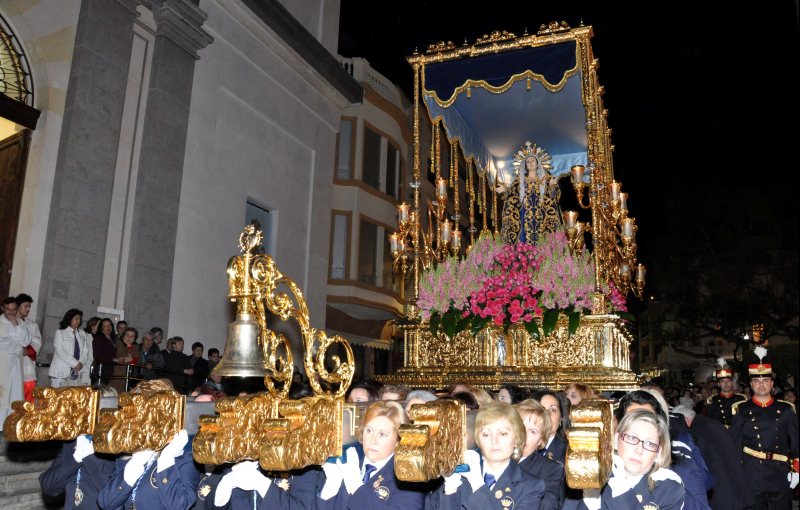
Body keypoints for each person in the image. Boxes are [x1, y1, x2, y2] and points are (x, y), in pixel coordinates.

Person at [97, 378, 203, 510]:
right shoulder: (128, 453)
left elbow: (180, 505)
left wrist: (166, 459)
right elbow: (105, 502)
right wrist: (134, 465)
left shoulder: (184, 456)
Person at [429, 401, 545, 510]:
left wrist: (477, 483)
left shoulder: (531, 486)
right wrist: (451, 488)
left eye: (503, 433)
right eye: (486, 434)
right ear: (478, 440)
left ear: (517, 439)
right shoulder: (462, 476)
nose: (494, 440)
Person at [318, 400, 427, 510]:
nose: (372, 440)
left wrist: (356, 487)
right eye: (369, 431)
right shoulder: (349, 465)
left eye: (382, 434)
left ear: (398, 440)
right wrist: (331, 486)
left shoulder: (408, 479)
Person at [730, 347, 799, 509]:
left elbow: (796, 443)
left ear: (772, 384)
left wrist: (796, 469)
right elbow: (734, 445)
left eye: (765, 381)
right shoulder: (741, 409)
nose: (761, 385)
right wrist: (736, 474)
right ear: (751, 385)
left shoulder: (786, 409)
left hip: (779, 472)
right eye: (757, 381)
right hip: (751, 472)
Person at [574, 409, 685, 509]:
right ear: (616, 441)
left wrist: (621, 488)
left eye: (650, 443)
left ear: (658, 453)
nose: (639, 450)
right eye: (632, 438)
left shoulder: (669, 489)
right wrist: (591, 499)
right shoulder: (590, 471)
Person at [39, 385, 119, 509]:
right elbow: (48, 486)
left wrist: (89, 456)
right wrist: (76, 458)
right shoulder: (74, 442)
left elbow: (114, 495)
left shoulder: (119, 446)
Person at [672, 404, 755, 510]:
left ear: (685, 420)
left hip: (720, 487)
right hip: (733, 481)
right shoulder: (710, 423)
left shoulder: (696, 430)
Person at [499, 141, 562, 245]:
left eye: (533, 160)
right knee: (523, 239)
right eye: (528, 161)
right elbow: (512, 197)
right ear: (525, 165)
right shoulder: (519, 180)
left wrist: (551, 187)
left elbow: (554, 198)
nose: (531, 162)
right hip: (524, 214)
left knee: (544, 241)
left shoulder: (546, 178)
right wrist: (506, 190)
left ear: (538, 163)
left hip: (542, 215)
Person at [516, 399, 566, 509]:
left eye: (533, 431)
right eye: (521, 427)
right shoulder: (492, 458)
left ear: (541, 441)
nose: (524, 435)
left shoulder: (551, 470)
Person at [0, 297, 31, 414]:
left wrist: (15, 325)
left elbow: (26, 341)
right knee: (3, 394)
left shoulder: (21, 324)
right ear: (2, 308)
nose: (11, 312)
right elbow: (3, 343)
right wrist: (18, 346)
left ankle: (10, 421)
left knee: (14, 392)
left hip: (16, 363)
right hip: (2, 363)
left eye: (13, 309)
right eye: (8, 309)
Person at [49, 309, 93, 387]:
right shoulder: (60, 332)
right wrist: (75, 363)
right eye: (76, 319)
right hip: (61, 371)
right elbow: (60, 351)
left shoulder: (81, 333)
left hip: (76, 371)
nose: (79, 321)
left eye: (80, 319)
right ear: (69, 319)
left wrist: (80, 363)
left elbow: (85, 351)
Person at [705, 358, 746, 428]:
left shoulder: (741, 398)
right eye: (722, 381)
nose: (726, 384)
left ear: (732, 383)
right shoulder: (712, 400)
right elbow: (710, 421)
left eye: (728, 381)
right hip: (720, 434)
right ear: (718, 384)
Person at [531, 389, 569, 464]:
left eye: (553, 410)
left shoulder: (568, 453)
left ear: (560, 419)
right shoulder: (517, 446)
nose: (547, 414)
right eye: (542, 409)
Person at [15, 293, 41, 402]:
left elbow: (37, 341)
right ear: (18, 306)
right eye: (26, 306)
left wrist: (28, 350)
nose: (28, 309)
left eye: (29, 306)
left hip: (27, 363)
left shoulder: (32, 324)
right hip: (13, 361)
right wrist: (20, 348)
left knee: (28, 394)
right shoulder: (8, 322)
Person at [92, 318, 117, 384]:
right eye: (105, 326)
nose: (108, 327)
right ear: (101, 328)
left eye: (109, 325)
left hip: (109, 371)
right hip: (101, 371)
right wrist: (113, 359)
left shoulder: (113, 339)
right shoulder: (99, 339)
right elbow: (97, 356)